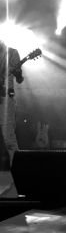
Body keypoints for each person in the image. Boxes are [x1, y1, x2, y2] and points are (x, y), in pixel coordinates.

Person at [0, 40, 24, 168]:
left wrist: (18, 73)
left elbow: (19, 79)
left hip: (6, 99)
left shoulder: (12, 52)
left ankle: (16, 168)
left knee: (8, 136)